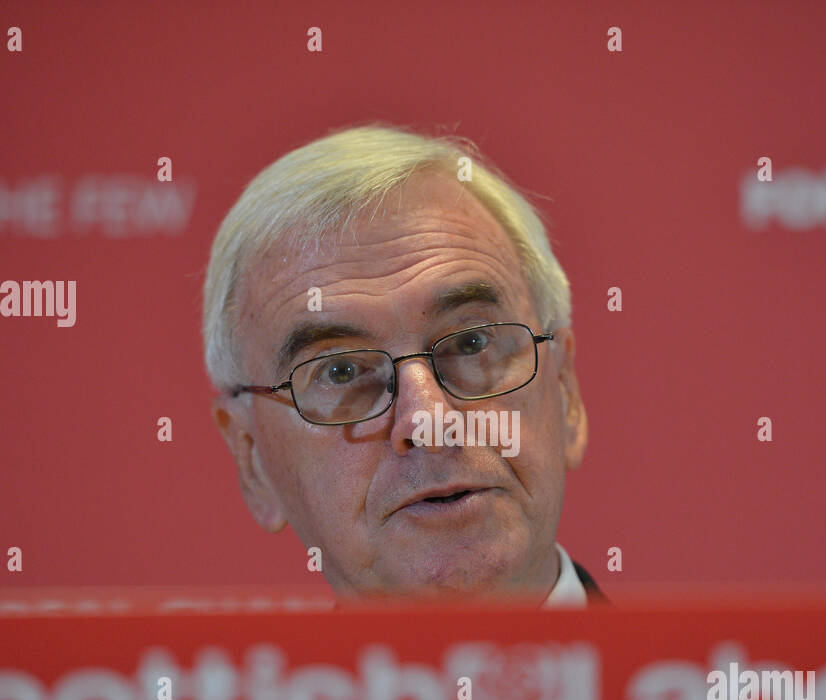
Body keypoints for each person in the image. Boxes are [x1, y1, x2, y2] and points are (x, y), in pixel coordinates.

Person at [202, 123, 607, 607]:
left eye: (472, 342)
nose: (428, 421)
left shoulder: (715, 683)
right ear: (252, 462)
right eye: (341, 372)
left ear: (565, 393)